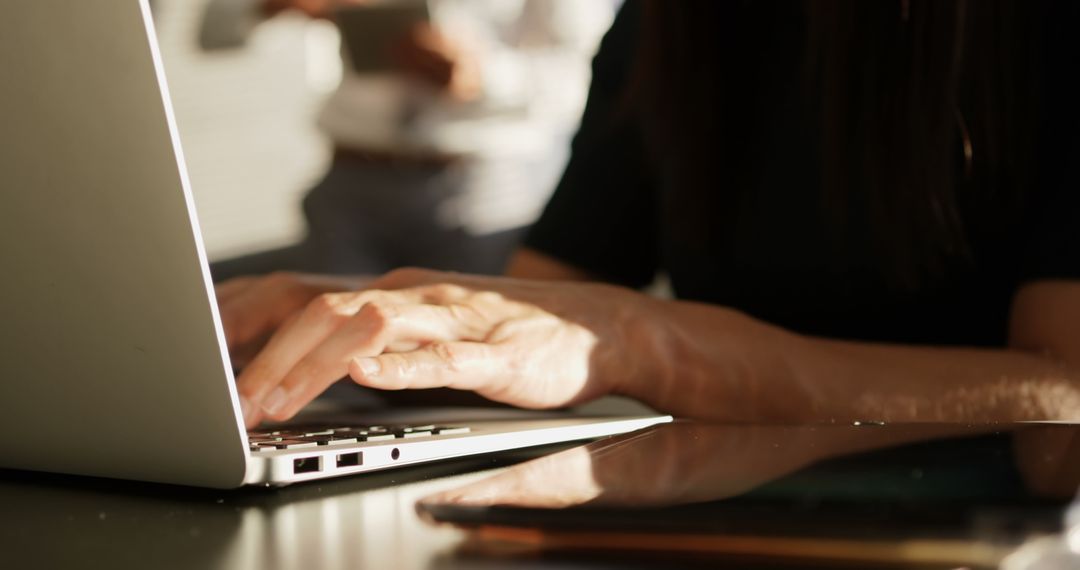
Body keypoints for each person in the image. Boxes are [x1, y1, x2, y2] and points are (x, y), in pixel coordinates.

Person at [216, 0, 1080, 428]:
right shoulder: (670, 22)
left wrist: (649, 344)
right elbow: (546, 300)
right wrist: (366, 325)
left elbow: (1064, 403)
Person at [200, 0, 614, 278]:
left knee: (463, 357)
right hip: (350, 181)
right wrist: (272, 5)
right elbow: (214, 31)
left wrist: (485, 76)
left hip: (475, 192)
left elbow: (589, 80)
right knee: (325, 355)